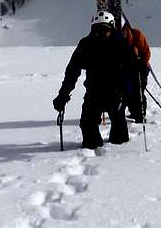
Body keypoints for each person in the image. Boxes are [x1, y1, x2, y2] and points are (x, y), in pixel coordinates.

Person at [53, 11, 134, 149]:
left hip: (116, 92)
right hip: (94, 92)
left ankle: (120, 154)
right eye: (97, 30)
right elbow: (72, 71)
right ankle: (93, 148)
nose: (100, 33)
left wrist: (128, 92)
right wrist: (63, 94)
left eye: (105, 30)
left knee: (119, 134)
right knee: (88, 129)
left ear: (112, 28)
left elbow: (130, 70)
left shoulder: (121, 44)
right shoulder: (86, 44)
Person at [122, 24, 151, 123]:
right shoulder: (116, 38)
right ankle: (133, 112)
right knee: (128, 91)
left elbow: (146, 52)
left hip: (141, 68)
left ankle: (140, 115)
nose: (123, 34)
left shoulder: (137, 35)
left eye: (124, 31)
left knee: (138, 91)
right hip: (126, 69)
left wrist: (141, 63)